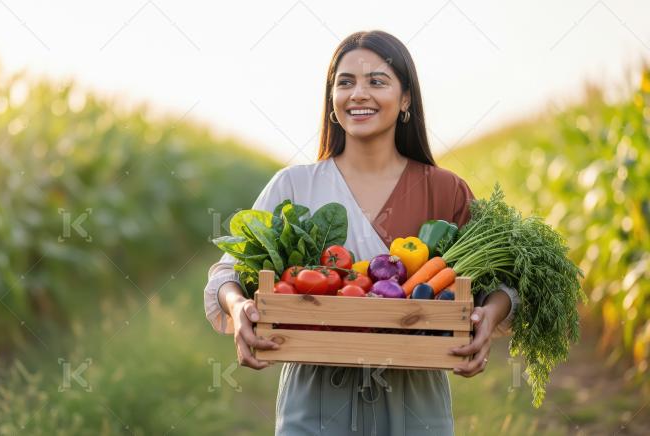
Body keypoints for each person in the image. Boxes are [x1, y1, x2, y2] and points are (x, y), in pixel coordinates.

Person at [203, 30, 520, 435]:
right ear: (332, 100)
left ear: (406, 98)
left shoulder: (445, 189)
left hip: (415, 399)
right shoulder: (294, 186)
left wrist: (488, 318)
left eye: (377, 81)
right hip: (315, 397)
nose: (359, 94)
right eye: (346, 82)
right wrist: (238, 307)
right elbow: (228, 273)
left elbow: (504, 285)